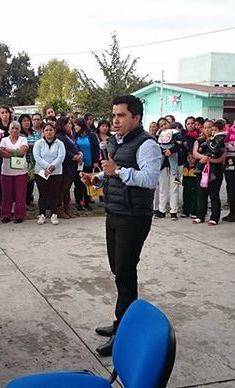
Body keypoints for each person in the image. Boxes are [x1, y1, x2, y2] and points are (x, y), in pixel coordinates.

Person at [80, 95, 161, 357]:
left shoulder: (147, 144)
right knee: (118, 270)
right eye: (114, 114)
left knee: (125, 273)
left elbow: (149, 179)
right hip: (114, 211)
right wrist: (97, 179)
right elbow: (112, 171)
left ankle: (124, 333)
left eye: (121, 115)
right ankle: (123, 324)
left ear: (136, 118)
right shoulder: (116, 141)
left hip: (134, 216)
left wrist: (117, 172)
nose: (115, 120)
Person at [192, 119, 227, 225]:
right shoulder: (199, 141)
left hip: (215, 170)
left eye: (211, 128)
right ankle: (200, 216)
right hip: (201, 170)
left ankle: (214, 217)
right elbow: (195, 153)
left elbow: (222, 157)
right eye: (206, 128)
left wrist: (209, 160)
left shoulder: (220, 140)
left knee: (214, 194)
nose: (208, 130)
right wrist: (203, 157)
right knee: (201, 194)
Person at [33, 122, 65, 225]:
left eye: (51, 130)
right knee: (43, 194)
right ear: (43, 132)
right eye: (46, 130)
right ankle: (42, 214)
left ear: (54, 131)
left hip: (56, 172)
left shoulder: (60, 143)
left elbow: (61, 157)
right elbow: (37, 157)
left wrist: (52, 167)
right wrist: (47, 166)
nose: (49, 132)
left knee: (54, 194)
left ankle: (54, 214)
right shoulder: (38, 143)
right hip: (41, 172)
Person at [0, 121, 29, 223]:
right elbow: (1, 153)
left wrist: (8, 150)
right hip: (6, 172)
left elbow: (21, 153)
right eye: (13, 128)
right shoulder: (4, 140)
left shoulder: (23, 139)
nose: (15, 130)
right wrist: (15, 152)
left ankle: (19, 215)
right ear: (9, 130)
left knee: (20, 195)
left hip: (21, 172)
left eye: (17, 128)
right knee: (6, 194)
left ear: (20, 130)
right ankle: (6, 214)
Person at [156, 117, 182, 220]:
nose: (164, 126)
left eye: (165, 124)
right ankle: (161, 210)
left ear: (169, 123)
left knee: (174, 187)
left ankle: (173, 211)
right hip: (163, 164)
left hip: (175, 162)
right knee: (163, 187)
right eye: (161, 125)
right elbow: (157, 146)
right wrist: (164, 152)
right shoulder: (159, 135)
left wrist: (171, 150)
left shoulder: (175, 132)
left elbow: (180, 144)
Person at [55, 116, 82, 218]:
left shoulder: (70, 136)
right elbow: (64, 151)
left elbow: (75, 145)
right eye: (69, 124)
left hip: (72, 166)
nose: (71, 126)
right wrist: (74, 157)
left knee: (67, 189)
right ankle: (59, 209)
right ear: (63, 125)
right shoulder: (59, 136)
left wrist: (79, 153)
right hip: (65, 166)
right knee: (62, 189)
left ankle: (67, 209)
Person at [73, 117, 100, 211]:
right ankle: (78, 202)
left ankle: (87, 202)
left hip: (89, 163)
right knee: (78, 183)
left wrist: (96, 161)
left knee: (87, 184)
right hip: (79, 164)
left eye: (77, 125)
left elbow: (96, 149)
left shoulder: (92, 136)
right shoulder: (74, 136)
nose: (75, 127)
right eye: (74, 125)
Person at [0, 105, 13, 209]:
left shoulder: (14, 125)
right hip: (0, 157)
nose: (5, 114)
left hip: (13, 157)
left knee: (14, 181)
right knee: (1, 181)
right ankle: (1, 203)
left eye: (7, 112)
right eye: (2, 112)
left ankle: (12, 203)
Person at [19, 114, 40, 208]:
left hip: (33, 161)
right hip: (22, 161)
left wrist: (29, 147)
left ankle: (28, 199)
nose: (26, 122)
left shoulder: (34, 133)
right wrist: (29, 147)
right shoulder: (19, 134)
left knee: (31, 181)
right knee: (22, 182)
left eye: (28, 120)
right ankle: (21, 201)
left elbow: (39, 144)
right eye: (24, 121)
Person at [181, 153, 197, 218]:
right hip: (186, 185)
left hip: (193, 186)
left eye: (192, 158)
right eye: (189, 158)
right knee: (185, 198)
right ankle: (186, 211)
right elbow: (184, 176)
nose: (190, 160)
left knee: (194, 199)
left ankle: (194, 212)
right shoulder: (185, 166)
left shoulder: (196, 167)